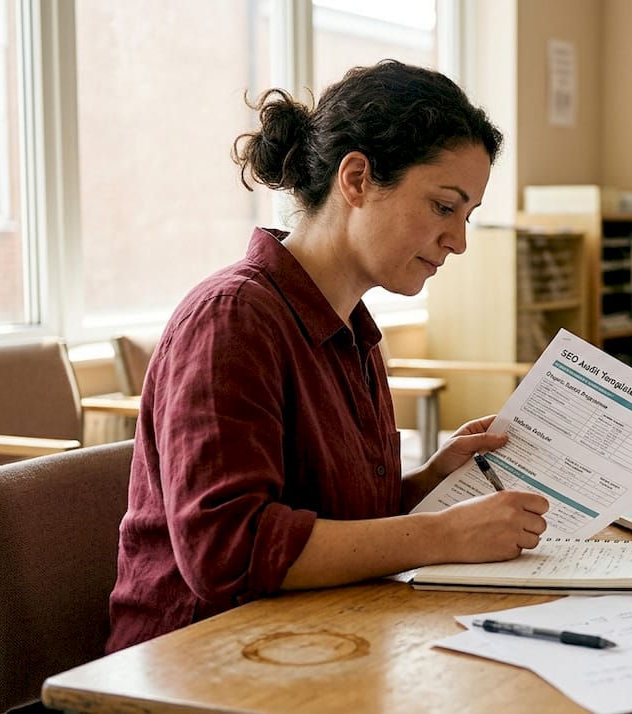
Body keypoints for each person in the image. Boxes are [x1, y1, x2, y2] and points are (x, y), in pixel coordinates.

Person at [107, 60, 550, 652]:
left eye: (467, 217)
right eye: (445, 206)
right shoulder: (232, 319)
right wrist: (441, 534)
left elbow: (328, 514)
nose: (459, 241)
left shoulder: (352, 332)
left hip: (317, 638)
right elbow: (227, 552)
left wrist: (426, 483)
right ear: (358, 179)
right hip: (197, 661)